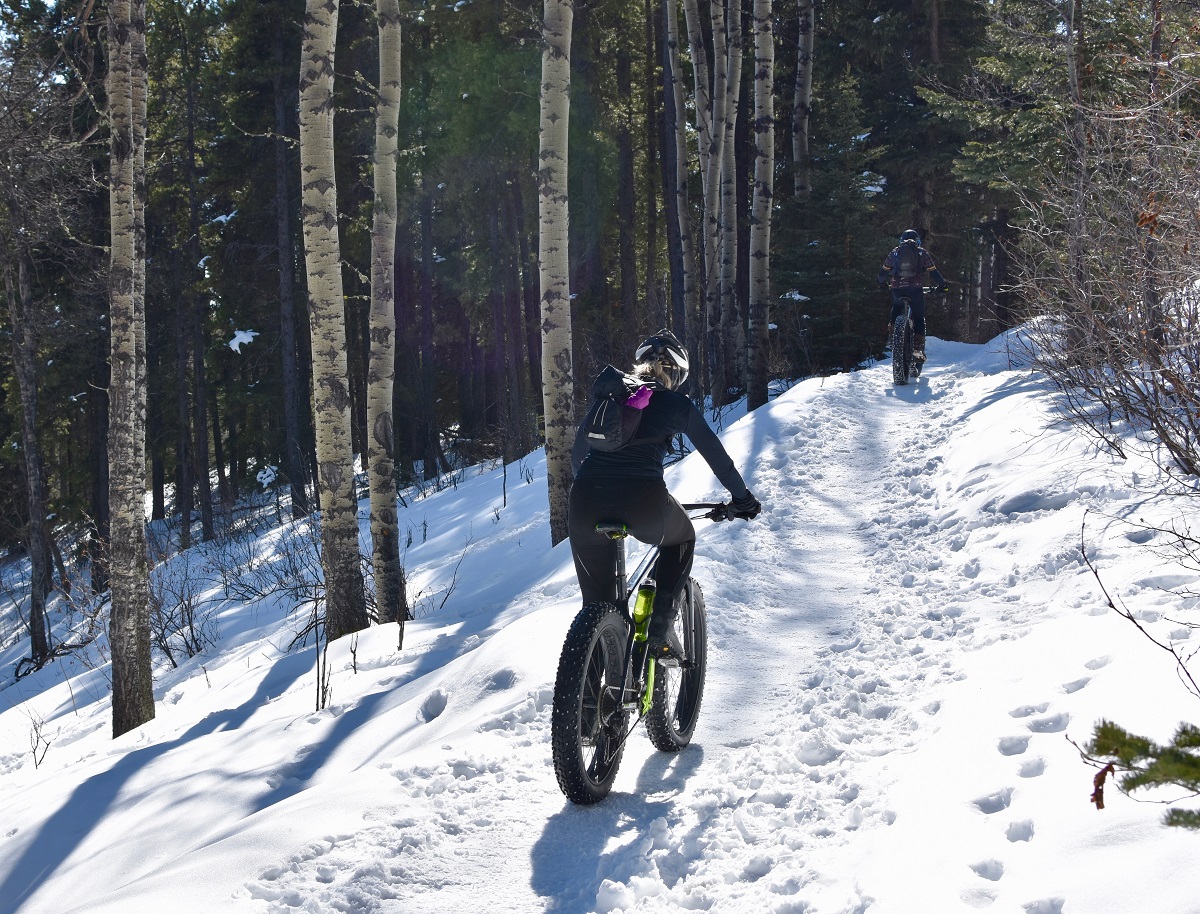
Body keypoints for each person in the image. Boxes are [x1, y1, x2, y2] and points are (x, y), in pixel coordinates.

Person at [569, 330, 760, 662]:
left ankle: (588, 685)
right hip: (643, 501)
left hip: (584, 503)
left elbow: (576, 459)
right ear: (676, 374)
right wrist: (742, 499)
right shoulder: (675, 403)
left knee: (598, 607)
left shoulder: (609, 399)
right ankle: (661, 626)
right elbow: (718, 460)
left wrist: (603, 491)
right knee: (682, 538)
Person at [878, 229, 947, 361]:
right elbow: (934, 273)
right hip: (915, 289)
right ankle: (917, 347)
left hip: (897, 288)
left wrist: (881, 284)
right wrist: (943, 286)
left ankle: (892, 337)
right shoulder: (922, 253)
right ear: (918, 242)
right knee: (918, 316)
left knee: (897, 306)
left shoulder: (895, 252)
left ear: (901, 241)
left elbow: (882, 273)